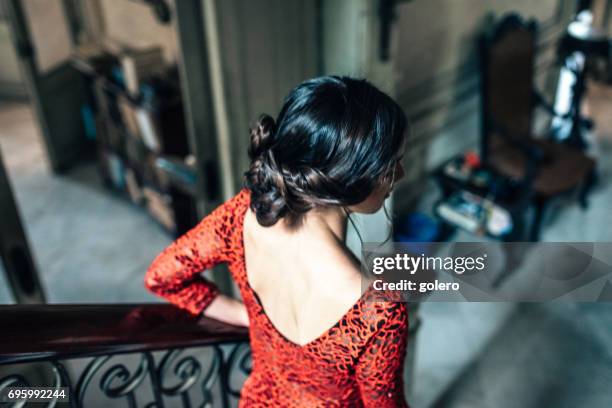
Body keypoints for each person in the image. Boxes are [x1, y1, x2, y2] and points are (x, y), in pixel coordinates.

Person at [145, 75, 409, 407]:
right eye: (392, 163)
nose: (400, 174)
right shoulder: (380, 312)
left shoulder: (238, 217)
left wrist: (252, 319)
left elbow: (162, 277)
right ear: (352, 176)